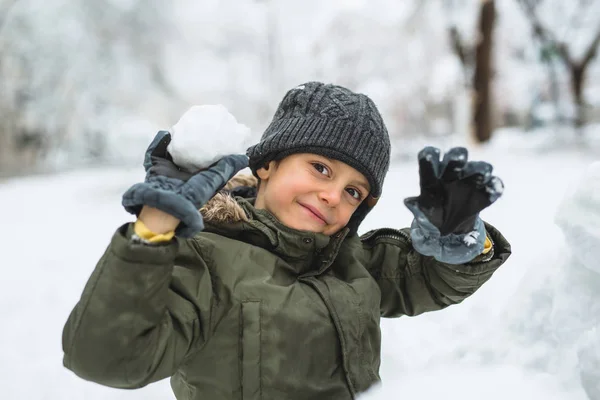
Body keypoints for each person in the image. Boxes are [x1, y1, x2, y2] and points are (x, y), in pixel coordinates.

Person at [62, 81, 511, 400]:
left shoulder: (355, 261)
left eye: (354, 191)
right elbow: (108, 358)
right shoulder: (206, 259)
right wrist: (155, 226)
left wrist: (464, 239)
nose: (333, 195)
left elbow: (428, 277)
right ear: (268, 165)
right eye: (321, 168)